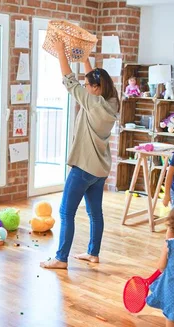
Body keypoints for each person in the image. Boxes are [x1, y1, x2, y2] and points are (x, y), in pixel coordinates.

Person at [40, 38, 119, 270]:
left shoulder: (92, 103)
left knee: (66, 212)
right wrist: (85, 59)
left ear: (95, 89)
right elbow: (92, 81)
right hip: (100, 169)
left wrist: (61, 52)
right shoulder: (111, 102)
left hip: (84, 168)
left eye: (88, 85)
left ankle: (61, 258)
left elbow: (69, 80)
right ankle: (93, 253)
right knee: (95, 213)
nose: (84, 87)